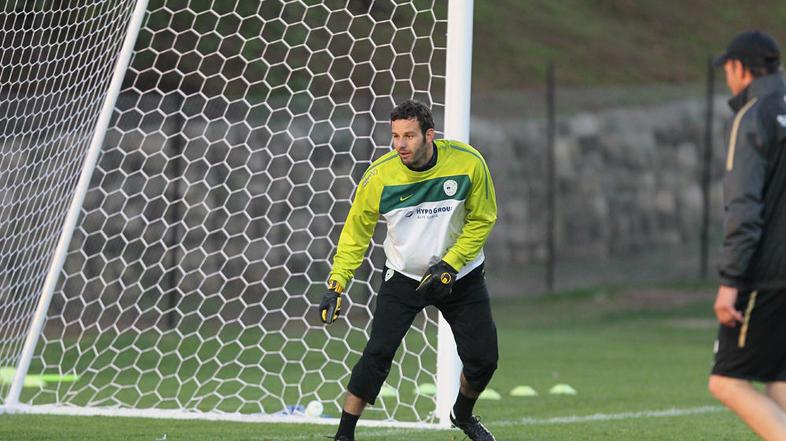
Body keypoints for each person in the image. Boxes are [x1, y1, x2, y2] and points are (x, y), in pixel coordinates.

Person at [318, 99, 499, 441]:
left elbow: (483, 218)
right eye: (395, 136)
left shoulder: (468, 162)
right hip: (403, 277)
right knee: (378, 353)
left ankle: (462, 415)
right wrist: (336, 284)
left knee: (484, 360)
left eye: (409, 136)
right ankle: (343, 435)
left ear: (430, 135)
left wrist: (451, 264)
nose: (400, 144)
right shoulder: (380, 176)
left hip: (461, 277)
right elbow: (355, 233)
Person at [708, 30, 786, 440]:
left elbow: (744, 208)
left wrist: (730, 282)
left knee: (727, 380)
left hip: (767, 275)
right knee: (778, 382)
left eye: (728, 69)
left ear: (741, 68)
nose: (726, 78)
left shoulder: (752, 116)